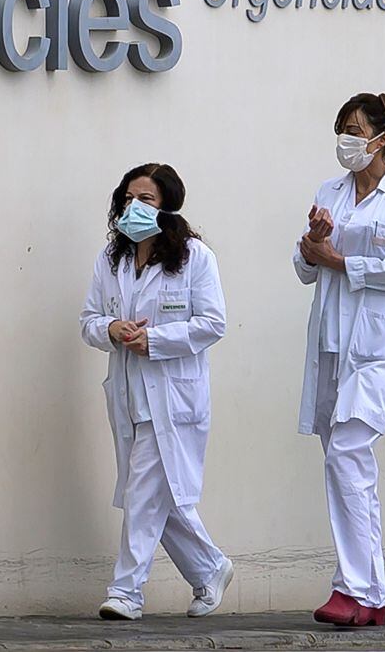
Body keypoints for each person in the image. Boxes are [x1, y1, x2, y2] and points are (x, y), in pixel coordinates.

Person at [293, 91, 385, 626]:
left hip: (378, 348)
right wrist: (314, 243)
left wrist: (341, 259)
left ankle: (352, 588)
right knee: (349, 464)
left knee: (347, 452)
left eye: (355, 130)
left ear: (382, 139)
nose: (346, 140)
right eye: (342, 129)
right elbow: (306, 267)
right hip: (331, 343)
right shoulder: (329, 190)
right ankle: (371, 596)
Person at [80, 163, 233, 621]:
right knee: (155, 497)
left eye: (145, 199)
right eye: (128, 198)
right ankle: (210, 568)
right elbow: (88, 320)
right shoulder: (113, 259)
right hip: (128, 398)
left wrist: (157, 340)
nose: (134, 207)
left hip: (173, 398)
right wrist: (112, 328)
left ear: (167, 206)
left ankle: (126, 592)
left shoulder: (194, 258)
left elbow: (213, 324)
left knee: (144, 495)